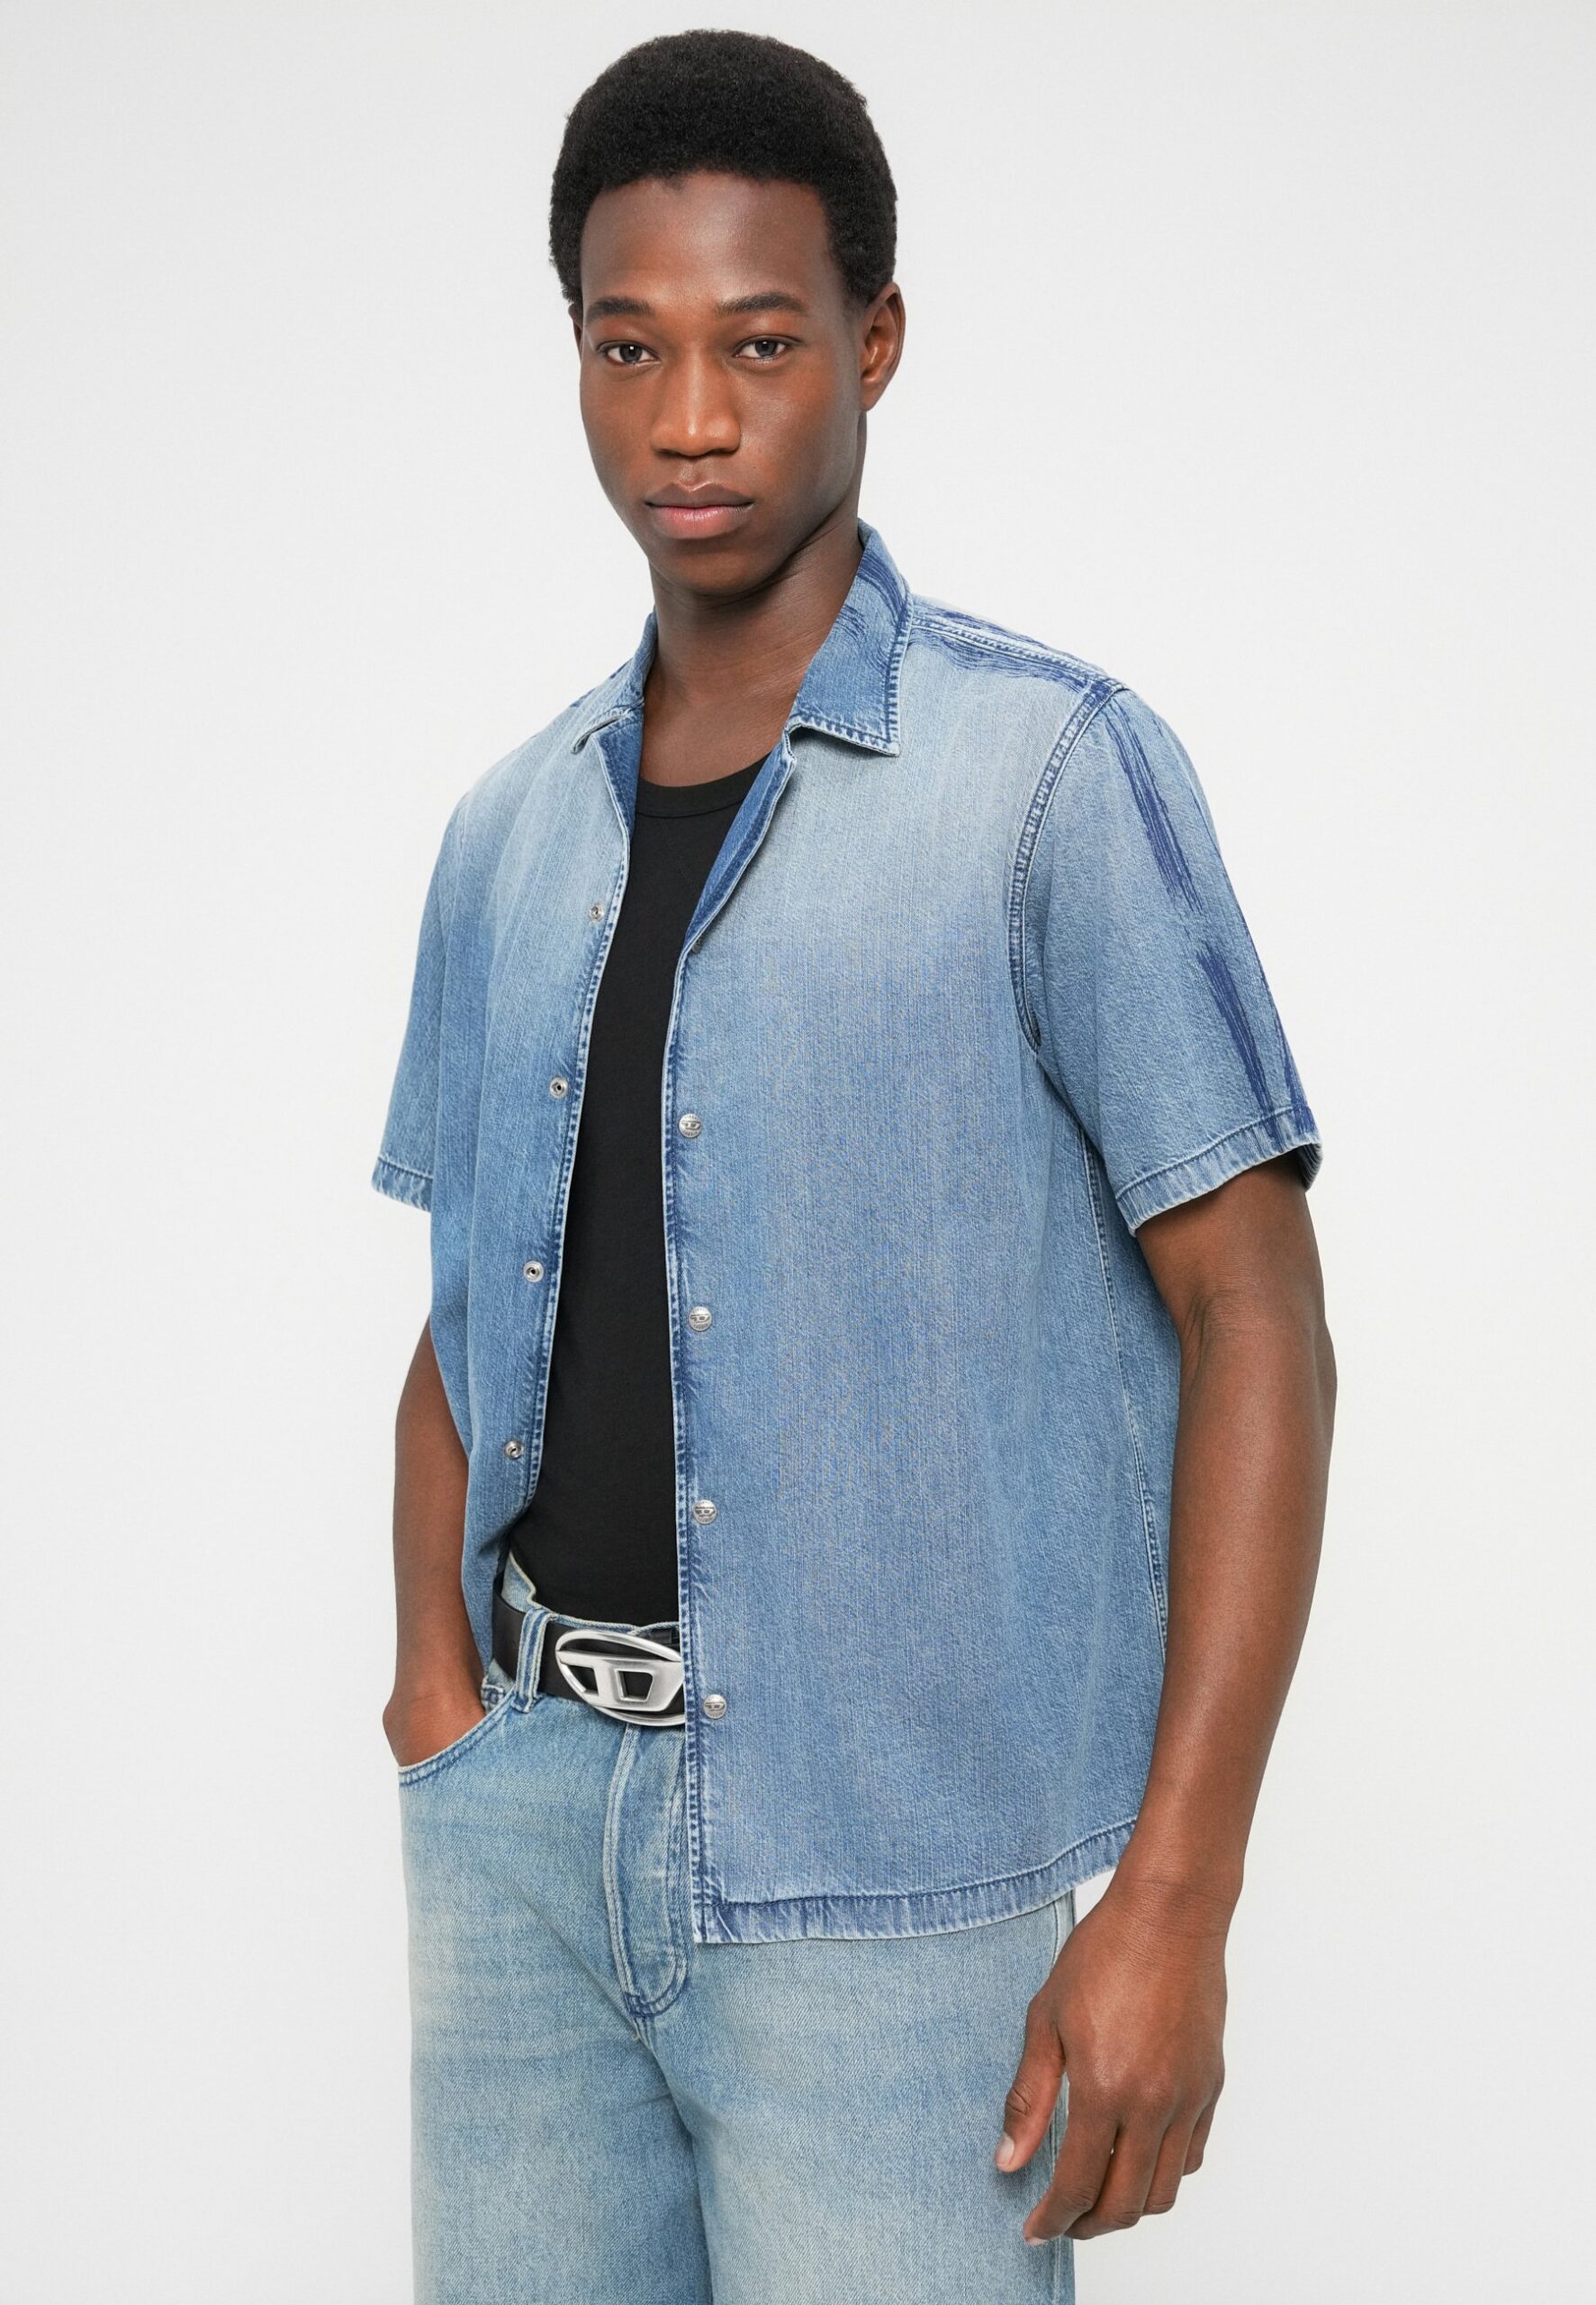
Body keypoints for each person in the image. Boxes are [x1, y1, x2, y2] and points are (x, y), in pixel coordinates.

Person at [370, 29, 1335, 2304]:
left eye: (758, 342)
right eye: (627, 346)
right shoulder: (507, 828)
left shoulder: (1049, 777)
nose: (687, 418)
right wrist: (435, 1703)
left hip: (885, 1883)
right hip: (520, 1838)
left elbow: (1255, 1314)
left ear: (872, 342)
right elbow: (464, 1314)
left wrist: (1174, 1893)